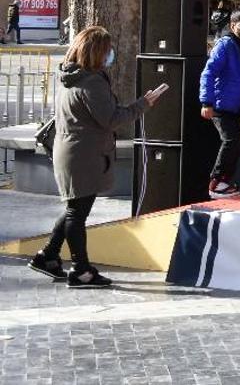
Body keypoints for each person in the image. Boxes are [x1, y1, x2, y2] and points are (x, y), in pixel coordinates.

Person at [28, 27, 164, 287]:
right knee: (77, 214)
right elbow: (112, 119)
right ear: (98, 52)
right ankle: (81, 269)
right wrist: (143, 104)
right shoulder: (92, 82)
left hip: (72, 151)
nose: (111, 55)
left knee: (74, 208)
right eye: (108, 50)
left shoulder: (72, 77)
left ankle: (47, 255)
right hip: (84, 154)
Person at [199, 8, 240, 197]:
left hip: (238, 106)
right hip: (221, 104)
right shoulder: (225, 45)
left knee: (236, 143)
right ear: (233, 25)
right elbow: (208, 73)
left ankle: (223, 182)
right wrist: (206, 102)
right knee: (231, 141)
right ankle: (217, 181)